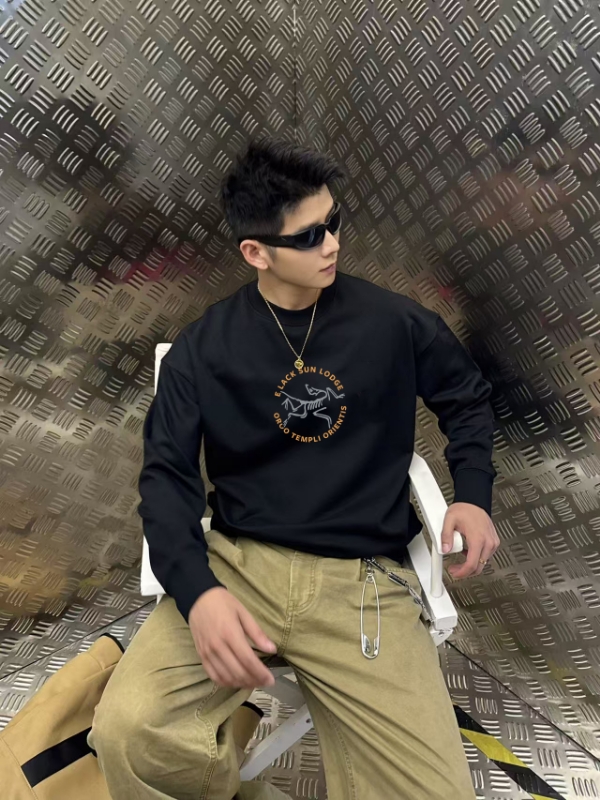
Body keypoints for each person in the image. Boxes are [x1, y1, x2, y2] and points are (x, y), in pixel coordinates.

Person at [89, 135, 500, 800]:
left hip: (361, 581)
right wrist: (198, 594)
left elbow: (467, 398)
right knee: (128, 733)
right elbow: (166, 480)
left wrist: (474, 495)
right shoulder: (206, 348)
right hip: (239, 566)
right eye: (309, 237)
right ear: (256, 252)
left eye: (334, 222)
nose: (332, 244)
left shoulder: (393, 323)